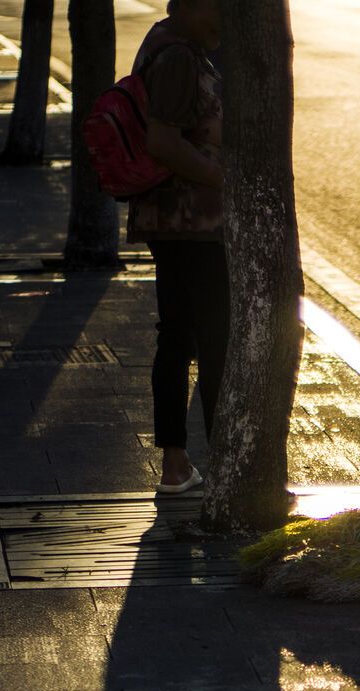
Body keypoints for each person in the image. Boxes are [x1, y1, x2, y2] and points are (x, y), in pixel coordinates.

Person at [128, 0, 226, 496]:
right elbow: (162, 141)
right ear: (185, 5)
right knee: (213, 340)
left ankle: (177, 464)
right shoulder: (177, 56)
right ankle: (224, 465)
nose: (224, 18)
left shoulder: (172, 45)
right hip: (191, 220)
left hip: (176, 219)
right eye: (216, 6)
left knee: (180, 337)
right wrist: (221, 178)